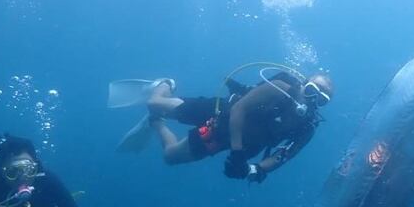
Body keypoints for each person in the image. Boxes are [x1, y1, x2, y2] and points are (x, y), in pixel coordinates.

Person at [110, 66, 334, 182]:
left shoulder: (307, 127)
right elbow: (239, 109)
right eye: (312, 90)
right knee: (153, 102)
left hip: (222, 138)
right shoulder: (280, 88)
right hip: (220, 112)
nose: (313, 99)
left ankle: (154, 122)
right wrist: (237, 153)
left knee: (170, 157)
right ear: (303, 84)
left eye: (321, 99)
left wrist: (254, 169)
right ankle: (165, 84)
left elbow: (284, 155)